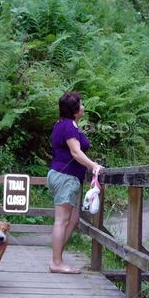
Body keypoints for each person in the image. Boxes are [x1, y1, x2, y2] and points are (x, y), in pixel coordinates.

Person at [47, 91, 102, 274]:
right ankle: (56, 262)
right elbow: (76, 153)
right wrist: (94, 166)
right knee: (62, 220)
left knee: (73, 218)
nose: (83, 106)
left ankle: (57, 256)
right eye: (81, 104)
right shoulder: (69, 126)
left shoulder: (60, 125)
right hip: (66, 177)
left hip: (61, 175)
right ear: (75, 110)